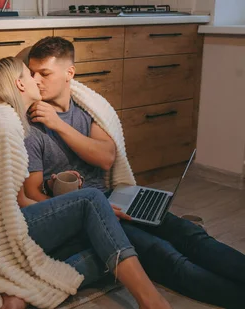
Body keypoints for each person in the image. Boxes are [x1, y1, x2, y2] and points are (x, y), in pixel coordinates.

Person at [23, 36, 245, 309]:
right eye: (32, 73)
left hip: (115, 196)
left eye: (44, 73)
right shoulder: (31, 128)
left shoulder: (87, 111)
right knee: (165, 255)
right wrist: (97, 209)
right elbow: (32, 193)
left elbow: (106, 158)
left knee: (190, 234)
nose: (35, 80)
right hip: (85, 215)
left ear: (69, 73)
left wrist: (58, 124)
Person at [0, 57, 171, 309]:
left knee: (99, 242)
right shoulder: (8, 126)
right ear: (19, 84)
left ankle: (19, 294)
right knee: (92, 202)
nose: (36, 81)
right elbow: (18, 202)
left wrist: (61, 202)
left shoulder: (1, 120)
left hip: (8, 225)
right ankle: (151, 301)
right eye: (30, 76)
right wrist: (68, 207)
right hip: (6, 230)